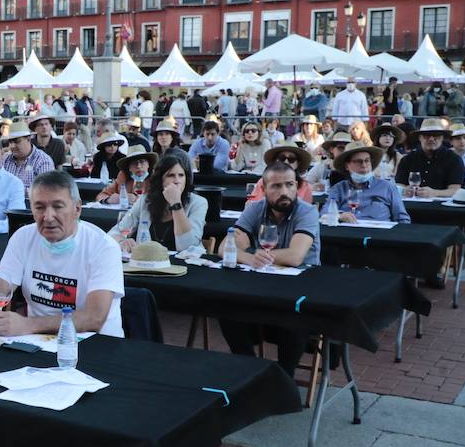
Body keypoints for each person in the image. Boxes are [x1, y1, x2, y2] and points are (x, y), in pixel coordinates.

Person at [0, 169, 124, 447]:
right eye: (39, 207)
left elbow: (94, 317)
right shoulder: (24, 237)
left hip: (100, 348)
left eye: (58, 207)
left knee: (84, 420)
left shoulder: (102, 246)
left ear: (78, 209)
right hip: (40, 344)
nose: (47, 216)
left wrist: (24, 325)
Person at [218, 162, 321, 374]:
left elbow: (295, 256)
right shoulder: (255, 209)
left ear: (297, 186)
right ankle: (250, 370)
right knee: (225, 306)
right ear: (263, 190)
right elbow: (224, 248)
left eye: (289, 185)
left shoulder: (307, 212)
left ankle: (284, 377)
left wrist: (253, 252)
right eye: (275, 186)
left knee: (293, 316)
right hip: (262, 286)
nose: (284, 191)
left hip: (301, 289)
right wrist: (248, 258)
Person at [108, 151, 208, 252]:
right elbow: (114, 233)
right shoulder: (145, 200)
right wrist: (121, 242)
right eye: (171, 175)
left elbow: (187, 247)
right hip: (147, 263)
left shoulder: (198, 203)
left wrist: (176, 204)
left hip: (183, 264)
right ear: (161, 180)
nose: (177, 180)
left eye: (181, 175)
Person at [329, 143, 410, 223]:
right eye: (358, 161)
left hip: (379, 234)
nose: (364, 165)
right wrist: (339, 215)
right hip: (346, 234)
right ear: (347, 166)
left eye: (367, 161)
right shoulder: (338, 188)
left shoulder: (387, 187)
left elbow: (403, 219)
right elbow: (325, 213)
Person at [395, 118, 465, 198]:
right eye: (427, 135)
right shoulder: (408, 159)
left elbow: (456, 190)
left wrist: (435, 193)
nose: (431, 139)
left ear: (442, 138)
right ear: (420, 138)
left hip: (443, 208)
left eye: (436, 135)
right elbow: (399, 185)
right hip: (412, 207)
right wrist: (404, 190)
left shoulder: (454, 159)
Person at [247, 141, 315, 204]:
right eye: (282, 158)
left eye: (291, 159)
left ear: (298, 163)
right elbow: (252, 205)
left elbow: (306, 212)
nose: (286, 162)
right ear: (275, 161)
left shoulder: (306, 187)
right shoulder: (262, 182)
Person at [1, 123, 54, 193]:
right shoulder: (5, 159)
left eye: (17, 141)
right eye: (10, 142)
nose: (12, 146)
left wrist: (13, 190)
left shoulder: (43, 161)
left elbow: (45, 190)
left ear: (28, 139)